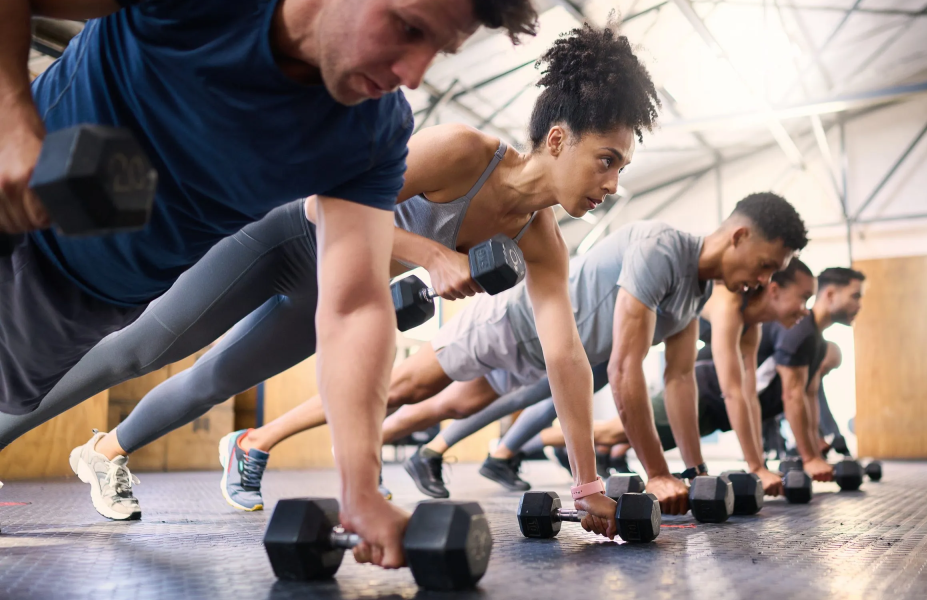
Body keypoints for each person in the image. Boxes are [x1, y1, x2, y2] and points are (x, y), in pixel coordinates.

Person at [37, 25, 661, 540]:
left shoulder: (541, 240)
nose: (611, 185)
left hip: (337, 289)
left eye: (621, 169)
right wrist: (433, 257)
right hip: (287, 238)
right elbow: (323, 203)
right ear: (558, 140)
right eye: (606, 161)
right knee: (140, 349)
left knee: (214, 381)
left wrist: (586, 485)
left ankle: (103, 454)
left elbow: (566, 356)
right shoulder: (465, 152)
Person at [1, 0, 537, 570]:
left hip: (81, 301)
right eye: (407, 28)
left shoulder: (373, 131)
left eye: (440, 51)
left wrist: (358, 487)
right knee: (135, 353)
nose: (414, 73)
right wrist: (12, 117)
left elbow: (354, 306)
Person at [375, 193, 807, 516]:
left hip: (557, 353)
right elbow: (624, 368)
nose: (764, 279)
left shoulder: (701, 291)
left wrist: (694, 473)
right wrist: (657, 472)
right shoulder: (661, 247)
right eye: (766, 264)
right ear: (740, 236)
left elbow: (679, 380)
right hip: (514, 320)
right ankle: (357, 445)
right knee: (408, 387)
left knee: (452, 402)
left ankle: (396, 447)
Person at [467, 257, 816, 496]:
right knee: (541, 401)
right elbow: (732, 390)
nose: (805, 309)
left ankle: (521, 451)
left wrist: (756, 464)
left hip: (650, 348)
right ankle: (510, 450)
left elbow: (747, 393)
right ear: (772, 288)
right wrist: (755, 465)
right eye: (803, 297)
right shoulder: (727, 303)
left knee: (582, 417)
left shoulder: (752, 325)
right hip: (611, 333)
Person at [533, 341, 845, 475]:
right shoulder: (791, 360)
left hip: (711, 415)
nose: (823, 374)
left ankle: (556, 446)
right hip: (701, 395)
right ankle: (523, 445)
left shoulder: (802, 378)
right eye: (826, 368)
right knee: (611, 430)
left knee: (623, 438)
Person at [759, 266, 864, 481]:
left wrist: (815, 452)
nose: (859, 305)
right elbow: (792, 396)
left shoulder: (818, 342)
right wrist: (808, 459)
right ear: (831, 295)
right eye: (855, 296)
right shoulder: (800, 330)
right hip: (706, 403)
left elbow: (809, 396)